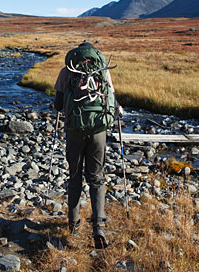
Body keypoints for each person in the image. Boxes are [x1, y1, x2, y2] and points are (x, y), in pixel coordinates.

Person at [53, 42, 121, 249]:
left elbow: (57, 105)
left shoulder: (67, 71)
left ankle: (74, 223)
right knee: (97, 178)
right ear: (94, 56)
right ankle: (99, 225)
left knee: (75, 175)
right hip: (98, 131)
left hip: (74, 131)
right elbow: (113, 103)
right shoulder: (102, 71)